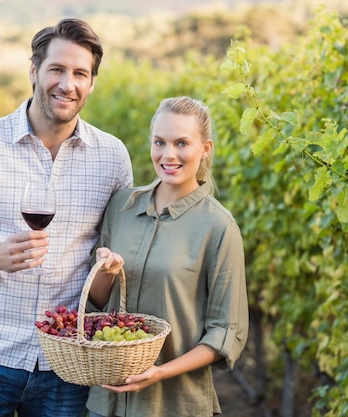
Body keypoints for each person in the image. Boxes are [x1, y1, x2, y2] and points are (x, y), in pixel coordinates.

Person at [0, 18, 133, 417]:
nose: (66, 84)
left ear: (91, 83)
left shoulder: (113, 158)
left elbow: (107, 267)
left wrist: (110, 264)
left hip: (68, 365)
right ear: (34, 70)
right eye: (56, 69)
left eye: (80, 74)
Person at [86, 96, 249, 417]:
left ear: (206, 148)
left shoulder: (218, 226)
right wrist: (105, 270)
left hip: (175, 404)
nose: (168, 154)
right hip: (107, 402)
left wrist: (158, 373)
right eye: (160, 142)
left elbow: (226, 331)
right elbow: (100, 301)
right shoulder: (122, 206)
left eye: (182, 143)